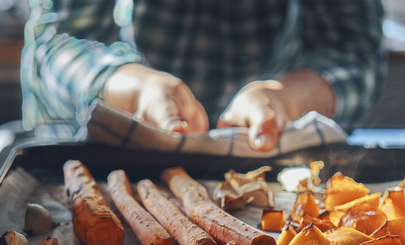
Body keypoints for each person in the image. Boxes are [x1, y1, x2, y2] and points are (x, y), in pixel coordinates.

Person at [21, 0, 386, 152]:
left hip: (276, 161)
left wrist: (286, 98)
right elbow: (55, 43)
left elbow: (354, 53)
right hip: (101, 159)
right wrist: (132, 85)